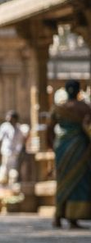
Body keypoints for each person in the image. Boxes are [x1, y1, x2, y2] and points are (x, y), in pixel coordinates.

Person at [47, 80, 91, 229]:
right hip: (80, 146)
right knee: (78, 181)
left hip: (62, 146)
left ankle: (58, 216)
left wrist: (53, 146)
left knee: (62, 180)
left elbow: (49, 129)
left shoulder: (58, 108)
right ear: (79, 91)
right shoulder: (86, 107)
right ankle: (73, 217)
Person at [0, 110, 25, 187]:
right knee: (6, 167)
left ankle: (10, 184)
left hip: (15, 153)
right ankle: (3, 184)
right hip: (6, 152)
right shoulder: (5, 127)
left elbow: (23, 140)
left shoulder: (20, 129)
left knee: (12, 170)